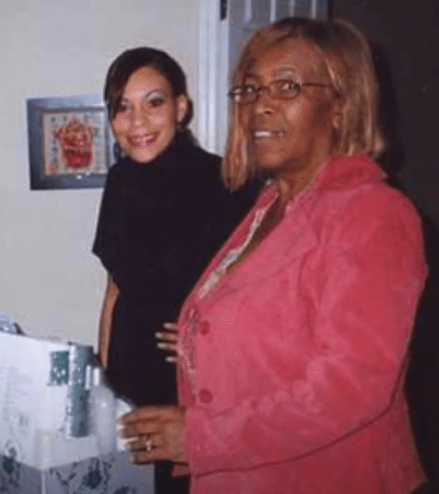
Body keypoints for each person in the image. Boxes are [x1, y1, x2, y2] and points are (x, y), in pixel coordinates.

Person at [119, 17, 428, 493]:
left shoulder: (372, 213)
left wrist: (200, 436)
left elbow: (350, 388)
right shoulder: (270, 205)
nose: (260, 105)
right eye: (249, 90)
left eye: (287, 87)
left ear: (341, 105)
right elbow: (276, 329)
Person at [91, 48, 256, 493]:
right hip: (128, 375)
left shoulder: (229, 184)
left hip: (194, 384)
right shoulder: (120, 182)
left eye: (154, 102)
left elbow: (258, 301)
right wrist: (102, 385)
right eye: (122, 107)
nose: (138, 121)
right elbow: (113, 292)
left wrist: (211, 339)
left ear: (182, 107)